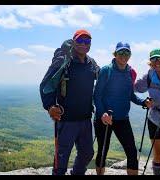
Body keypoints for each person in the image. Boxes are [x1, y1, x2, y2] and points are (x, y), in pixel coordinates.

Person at [39, 29, 99, 175]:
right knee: (61, 159)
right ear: (74, 42)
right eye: (80, 41)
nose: (84, 44)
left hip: (85, 118)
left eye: (87, 41)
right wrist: (49, 106)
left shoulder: (91, 63)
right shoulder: (63, 61)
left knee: (87, 153)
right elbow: (45, 85)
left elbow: (102, 78)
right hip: (66, 119)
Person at [93, 42, 153, 175]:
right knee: (103, 151)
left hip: (122, 119)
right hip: (103, 119)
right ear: (115, 54)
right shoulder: (106, 71)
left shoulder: (130, 72)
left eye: (127, 53)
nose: (124, 56)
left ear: (130, 55)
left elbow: (130, 95)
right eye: (121, 53)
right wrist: (102, 114)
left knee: (131, 152)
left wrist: (144, 102)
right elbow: (97, 95)